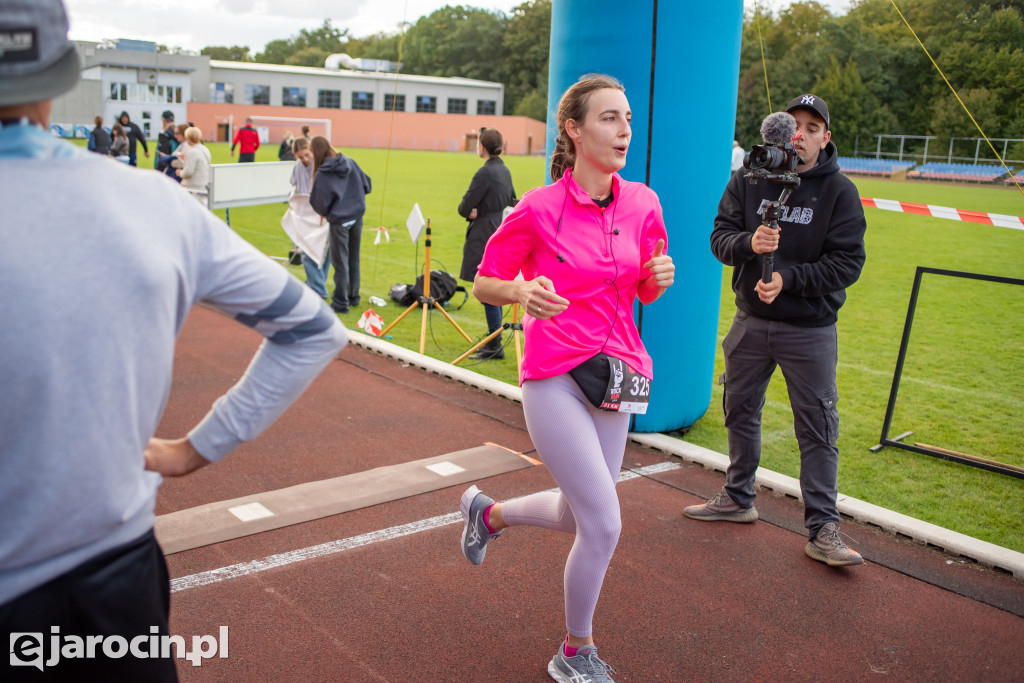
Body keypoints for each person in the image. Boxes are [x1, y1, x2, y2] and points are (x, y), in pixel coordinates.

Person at [0, 2, 348, 680]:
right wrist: (196, 449)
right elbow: (312, 328)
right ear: (53, 82)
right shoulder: (153, 205)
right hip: (115, 580)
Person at [459, 74, 675, 683]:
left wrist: (659, 275)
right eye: (609, 118)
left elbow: (645, 292)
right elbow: (482, 279)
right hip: (553, 374)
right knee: (604, 522)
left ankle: (489, 514)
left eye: (627, 118)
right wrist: (522, 290)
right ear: (574, 131)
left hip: (617, 377)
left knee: (579, 514)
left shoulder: (644, 203)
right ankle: (574, 651)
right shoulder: (537, 208)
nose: (625, 129)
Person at [686, 94, 867, 568]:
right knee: (740, 410)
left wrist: (790, 280)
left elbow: (848, 263)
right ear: (780, 130)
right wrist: (749, 242)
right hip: (750, 322)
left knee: (817, 427)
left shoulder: (839, 191)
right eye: (795, 125)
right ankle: (737, 497)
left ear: (826, 137)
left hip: (809, 329)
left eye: (812, 127)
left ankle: (823, 529)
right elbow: (719, 238)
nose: (801, 134)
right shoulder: (748, 177)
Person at [457, 127, 517, 361]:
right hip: (498, 227)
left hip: (484, 231)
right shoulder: (505, 169)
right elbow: (513, 198)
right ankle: (494, 340)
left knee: (486, 287)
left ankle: (495, 343)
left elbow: (464, 206)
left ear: (482, 146)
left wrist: (474, 212)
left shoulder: (485, 172)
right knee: (491, 285)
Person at [309, 136, 372, 315]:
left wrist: (330, 210)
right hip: (356, 216)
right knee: (353, 259)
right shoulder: (350, 162)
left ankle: (340, 302)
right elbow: (367, 184)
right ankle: (353, 296)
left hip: (340, 221)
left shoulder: (322, 173)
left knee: (341, 263)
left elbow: (319, 203)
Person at [287, 136, 331, 298]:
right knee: (307, 250)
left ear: (311, 150)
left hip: (322, 212)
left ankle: (317, 286)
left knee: (325, 251)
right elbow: (295, 186)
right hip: (305, 214)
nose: (304, 159)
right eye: (300, 157)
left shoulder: (321, 164)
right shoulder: (297, 167)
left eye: (306, 155)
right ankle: (317, 287)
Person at [176, 126, 211, 202]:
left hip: (193, 188)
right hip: (204, 186)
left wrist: (179, 172)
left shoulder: (192, 152)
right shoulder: (205, 149)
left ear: (188, 138)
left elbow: (188, 172)